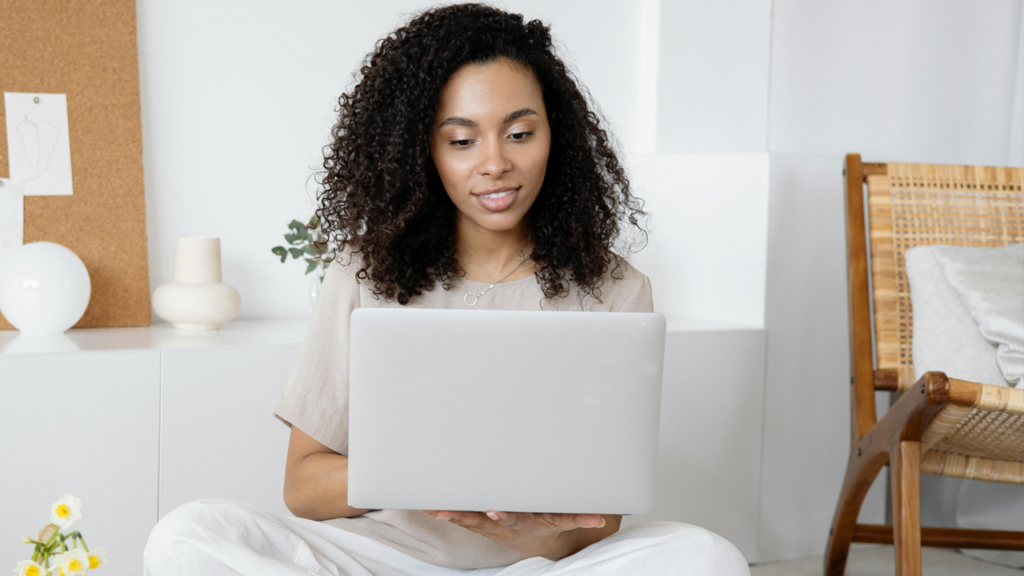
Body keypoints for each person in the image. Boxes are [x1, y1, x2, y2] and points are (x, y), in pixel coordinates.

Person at [143, 4, 750, 575]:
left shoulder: (615, 288)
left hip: (535, 565)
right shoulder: (363, 272)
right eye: (461, 140)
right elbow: (303, 486)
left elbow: (602, 517)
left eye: (519, 133)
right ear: (423, 149)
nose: (494, 164)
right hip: (383, 559)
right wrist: (418, 477)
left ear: (554, 133)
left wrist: (526, 534)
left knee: (706, 557)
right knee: (189, 533)